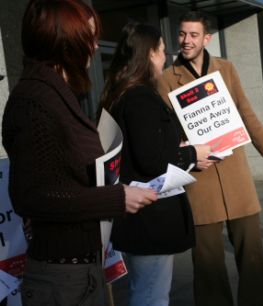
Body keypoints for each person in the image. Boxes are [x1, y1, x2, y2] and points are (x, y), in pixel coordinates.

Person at [1, 1, 157, 305]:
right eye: (90, 36)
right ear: (64, 39)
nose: (96, 46)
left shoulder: (57, 94)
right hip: (61, 278)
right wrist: (117, 198)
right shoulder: (34, 101)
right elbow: (31, 196)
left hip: (78, 270)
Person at [158, 10, 263, 306]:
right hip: (200, 179)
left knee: (252, 255)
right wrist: (184, 153)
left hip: (236, 178)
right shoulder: (166, 79)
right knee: (207, 261)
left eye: (193, 35)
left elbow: (245, 111)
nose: (186, 40)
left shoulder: (227, 68)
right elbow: (165, 132)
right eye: (182, 34)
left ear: (207, 38)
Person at [99, 21, 211, 306]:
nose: (165, 56)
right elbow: (151, 160)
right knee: (152, 297)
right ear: (149, 53)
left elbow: (147, 149)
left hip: (139, 218)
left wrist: (178, 149)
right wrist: (191, 154)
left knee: (146, 292)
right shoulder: (140, 98)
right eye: (162, 50)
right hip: (151, 218)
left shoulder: (122, 94)